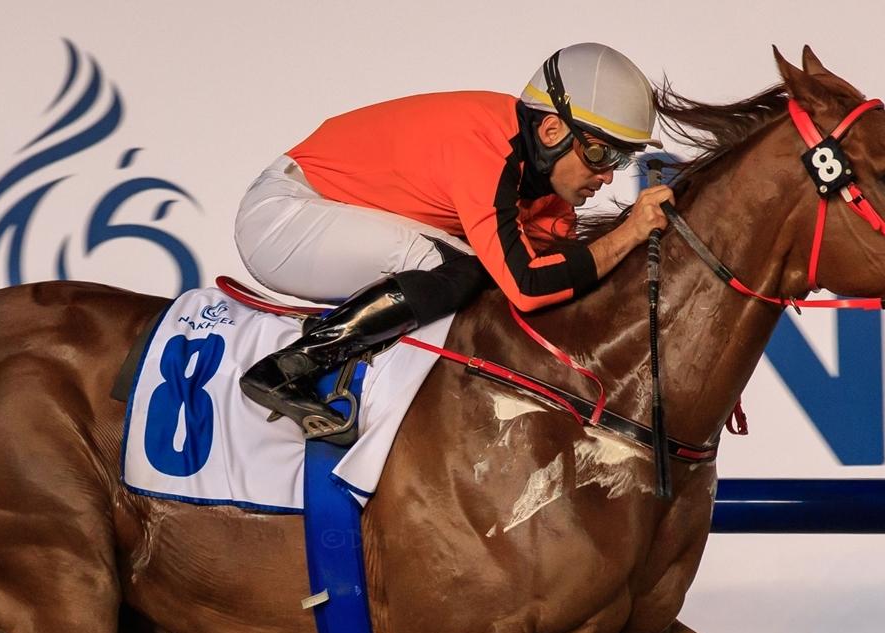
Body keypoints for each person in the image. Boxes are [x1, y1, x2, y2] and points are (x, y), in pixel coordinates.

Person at [234, 42, 677, 441]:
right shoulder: (486, 147)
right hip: (285, 216)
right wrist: (628, 232)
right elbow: (527, 285)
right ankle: (286, 369)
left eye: (622, 160)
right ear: (551, 132)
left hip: (332, 215)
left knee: (476, 275)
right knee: (464, 269)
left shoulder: (546, 192)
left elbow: (566, 278)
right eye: (600, 154)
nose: (607, 176)